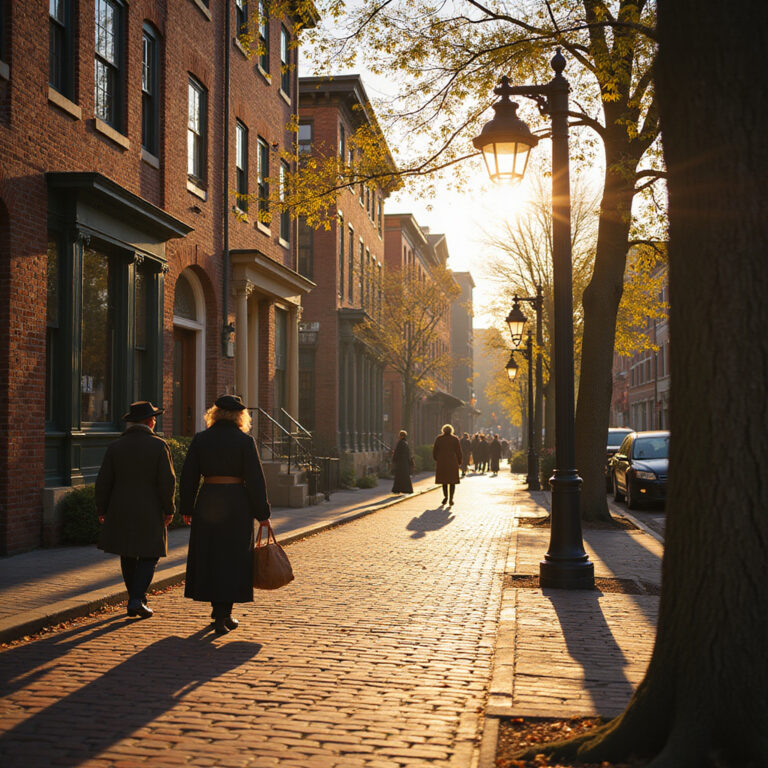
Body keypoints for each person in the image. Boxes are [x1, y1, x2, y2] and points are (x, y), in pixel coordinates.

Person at [180, 394, 271, 636]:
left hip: (208, 500)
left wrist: (186, 508)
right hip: (236, 505)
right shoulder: (244, 441)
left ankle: (218, 612)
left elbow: (188, 476)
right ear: (240, 416)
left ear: (214, 414)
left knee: (211, 556)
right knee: (233, 558)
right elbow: (255, 480)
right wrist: (263, 513)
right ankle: (224, 613)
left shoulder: (201, 439)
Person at [96, 401, 176, 619]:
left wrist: (102, 508)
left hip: (120, 507)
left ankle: (135, 598)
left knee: (128, 553)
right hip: (150, 509)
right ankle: (136, 599)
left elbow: (103, 481)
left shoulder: (115, 447)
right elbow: (167, 482)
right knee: (150, 554)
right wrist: (169, 508)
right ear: (150, 422)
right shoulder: (159, 446)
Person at [432, 424, 462, 506]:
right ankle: (451, 499)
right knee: (452, 482)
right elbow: (458, 451)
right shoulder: (455, 439)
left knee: (444, 481)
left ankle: (445, 496)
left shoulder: (439, 439)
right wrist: (459, 461)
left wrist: (437, 459)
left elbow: (435, 451)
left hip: (442, 463)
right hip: (452, 462)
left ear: (443, 430)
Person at [391, 430, 414, 494]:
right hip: (405, 463)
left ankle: (397, 489)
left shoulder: (400, 443)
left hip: (400, 463)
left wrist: (394, 459)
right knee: (405, 476)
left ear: (401, 436)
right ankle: (407, 489)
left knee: (399, 476)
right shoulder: (406, 443)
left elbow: (397, 452)